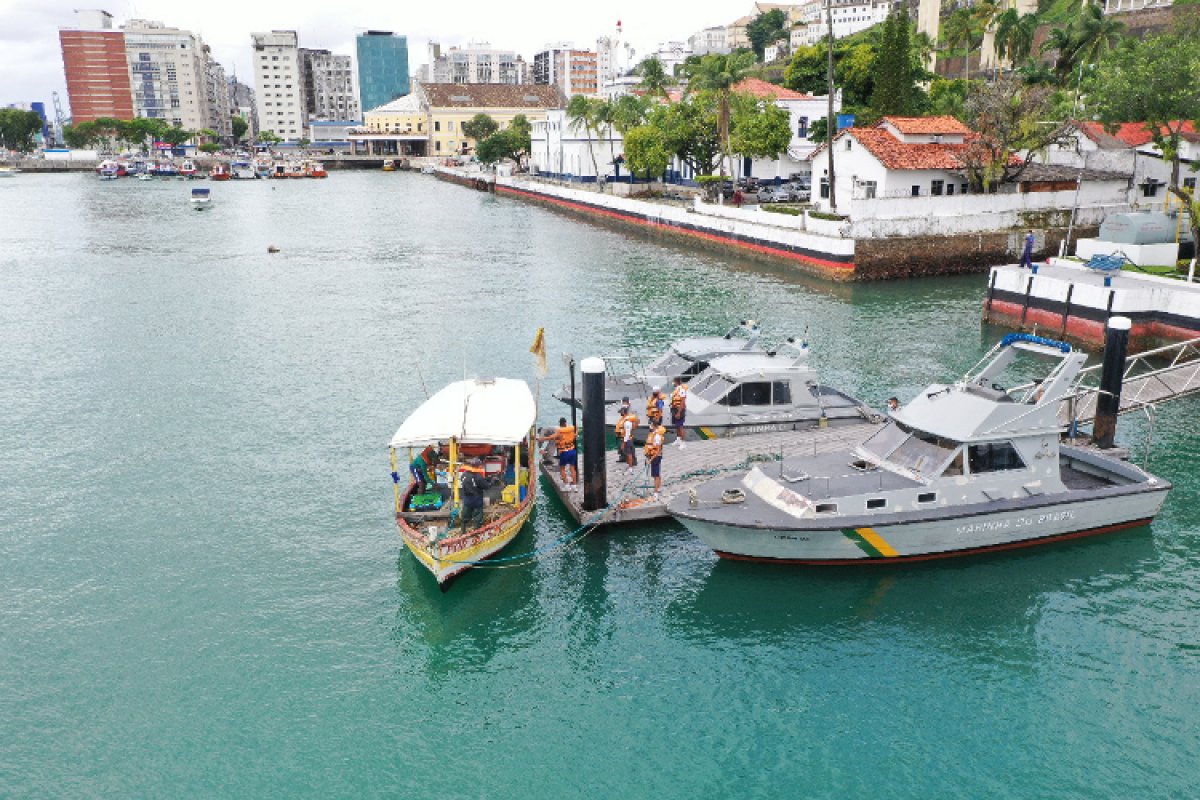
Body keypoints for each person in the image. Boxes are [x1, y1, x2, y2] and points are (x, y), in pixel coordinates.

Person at [539, 418, 578, 491]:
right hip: (572, 451)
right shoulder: (569, 430)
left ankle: (567, 486)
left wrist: (540, 441)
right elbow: (576, 431)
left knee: (562, 469)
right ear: (565, 423)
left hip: (565, 452)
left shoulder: (557, 432)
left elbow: (549, 438)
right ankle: (574, 486)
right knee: (572, 469)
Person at [457, 458, 490, 533]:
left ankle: (463, 531)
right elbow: (486, 486)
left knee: (464, 516)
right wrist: (491, 481)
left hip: (467, 499)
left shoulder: (464, 474)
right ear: (478, 466)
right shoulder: (478, 476)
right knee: (477, 517)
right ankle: (476, 532)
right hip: (476, 500)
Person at [615, 399, 638, 472]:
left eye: (621, 411)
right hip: (624, 438)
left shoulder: (627, 421)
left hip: (627, 439)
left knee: (629, 453)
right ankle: (630, 464)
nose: (620, 413)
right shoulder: (624, 419)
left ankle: (631, 466)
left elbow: (627, 433)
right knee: (627, 452)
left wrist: (623, 443)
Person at [645, 422, 667, 498]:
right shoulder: (653, 434)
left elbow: (658, 450)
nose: (650, 426)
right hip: (652, 456)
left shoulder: (657, 436)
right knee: (655, 474)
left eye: (651, 425)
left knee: (656, 475)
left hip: (655, 457)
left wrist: (651, 459)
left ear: (654, 426)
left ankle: (656, 491)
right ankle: (658, 487)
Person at [670, 377, 689, 448]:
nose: (673, 383)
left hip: (679, 409)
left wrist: (679, 412)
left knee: (680, 426)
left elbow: (682, 402)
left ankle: (683, 442)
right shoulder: (676, 389)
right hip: (674, 409)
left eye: (673, 382)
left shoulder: (681, 390)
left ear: (676, 382)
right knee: (677, 425)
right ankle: (678, 440)